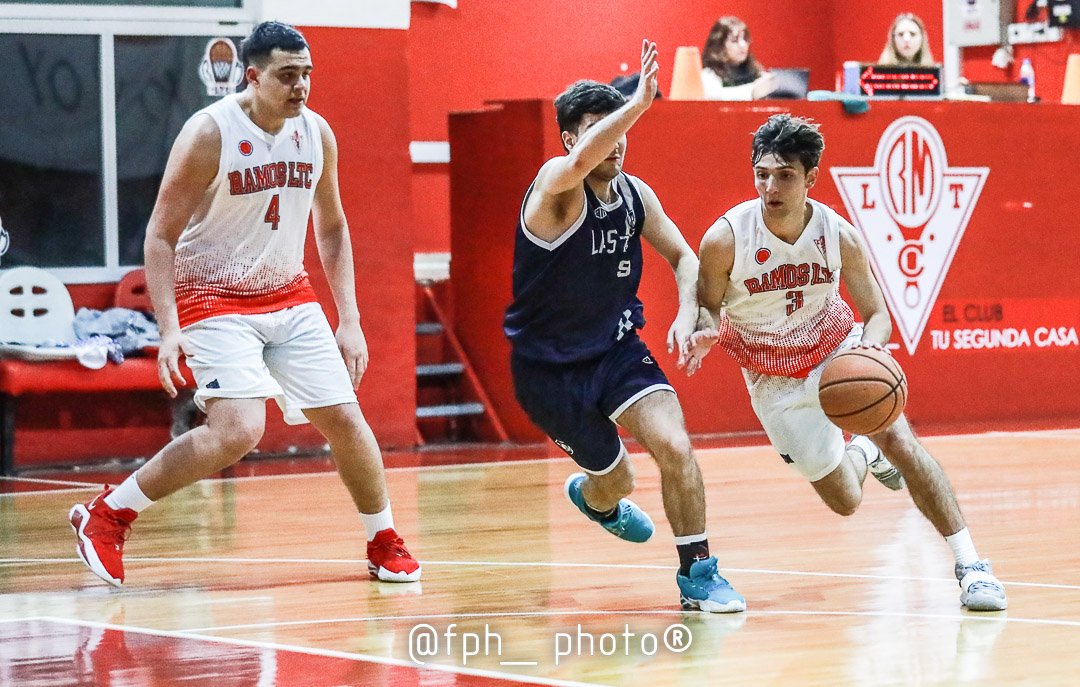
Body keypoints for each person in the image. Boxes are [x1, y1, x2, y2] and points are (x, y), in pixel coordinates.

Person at [67, 21, 421, 587]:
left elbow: (331, 227)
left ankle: (383, 540)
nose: (301, 86)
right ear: (252, 76)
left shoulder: (317, 133)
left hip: (288, 291)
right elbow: (159, 236)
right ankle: (108, 513)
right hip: (212, 293)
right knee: (237, 430)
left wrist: (349, 318)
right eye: (287, 75)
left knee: (348, 421)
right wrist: (169, 328)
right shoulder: (209, 134)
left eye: (307, 74)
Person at [687, 114, 1007, 612]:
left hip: (836, 348)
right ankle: (862, 455)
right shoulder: (725, 239)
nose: (770, 186)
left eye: (785, 175)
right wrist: (704, 329)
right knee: (845, 500)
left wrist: (869, 351)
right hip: (773, 379)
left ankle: (972, 567)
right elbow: (707, 304)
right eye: (762, 174)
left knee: (901, 438)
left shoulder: (839, 235)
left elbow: (877, 313)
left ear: (811, 178)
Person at [503, 40, 744, 613]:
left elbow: (686, 258)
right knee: (618, 483)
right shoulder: (553, 189)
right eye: (603, 127)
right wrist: (636, 102)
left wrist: (690, 311)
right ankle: (598, 499)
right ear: (570, 138)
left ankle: (698, 574)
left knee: (675, 446)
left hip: (615, 351)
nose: (618, 137)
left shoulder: (636, 196)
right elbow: (582, 163)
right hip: (548, 371)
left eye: (623, 124)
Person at [700, 16, 776, 101]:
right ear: (719, 46)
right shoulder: (708, 75)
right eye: (734, 40)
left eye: (745, 39)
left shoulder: (756, 71)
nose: (743, 45)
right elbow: (715, 95)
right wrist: (752, 92)